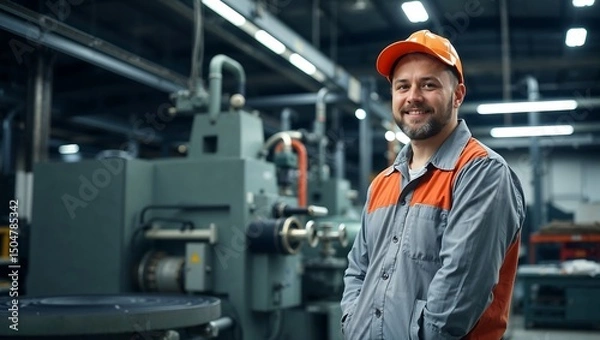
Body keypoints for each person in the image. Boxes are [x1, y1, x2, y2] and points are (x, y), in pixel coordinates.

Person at [340, 30, 526, 340]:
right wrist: (352, 323)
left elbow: (458, 296)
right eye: (403, 86)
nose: (413, 96)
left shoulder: (481, 173)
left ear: (458, 95)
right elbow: (357, 271)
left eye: (429, 84)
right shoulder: (382, 184)